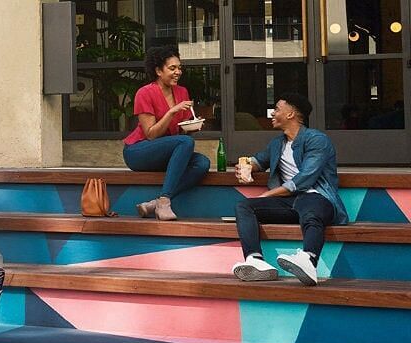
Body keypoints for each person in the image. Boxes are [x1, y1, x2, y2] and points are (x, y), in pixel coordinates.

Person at [231, 93, 347, 286]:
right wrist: (248, 166)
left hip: (317, 198)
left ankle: (309, 260)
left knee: (309, 208)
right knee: (244, 206)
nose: (272, 114)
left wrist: (269, 194)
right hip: (290, 203)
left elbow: (303, 181)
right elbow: (260, 161)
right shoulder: (277, 143)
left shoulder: (317, 140)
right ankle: (255, 260)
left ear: (291, 113)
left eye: (277, 109)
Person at [122, 45, 210, 221]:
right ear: (158, 71)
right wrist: (172, 112)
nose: (178, 72)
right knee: (185, 143)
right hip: (138, 151)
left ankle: (158, 201)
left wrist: (191, 127)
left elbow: (181, 135)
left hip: (165, 151)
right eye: (172, 68)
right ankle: (164, 202)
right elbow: (151, 134)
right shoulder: (144, 93)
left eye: (179, 68)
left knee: (202, 163)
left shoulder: (182, 92)